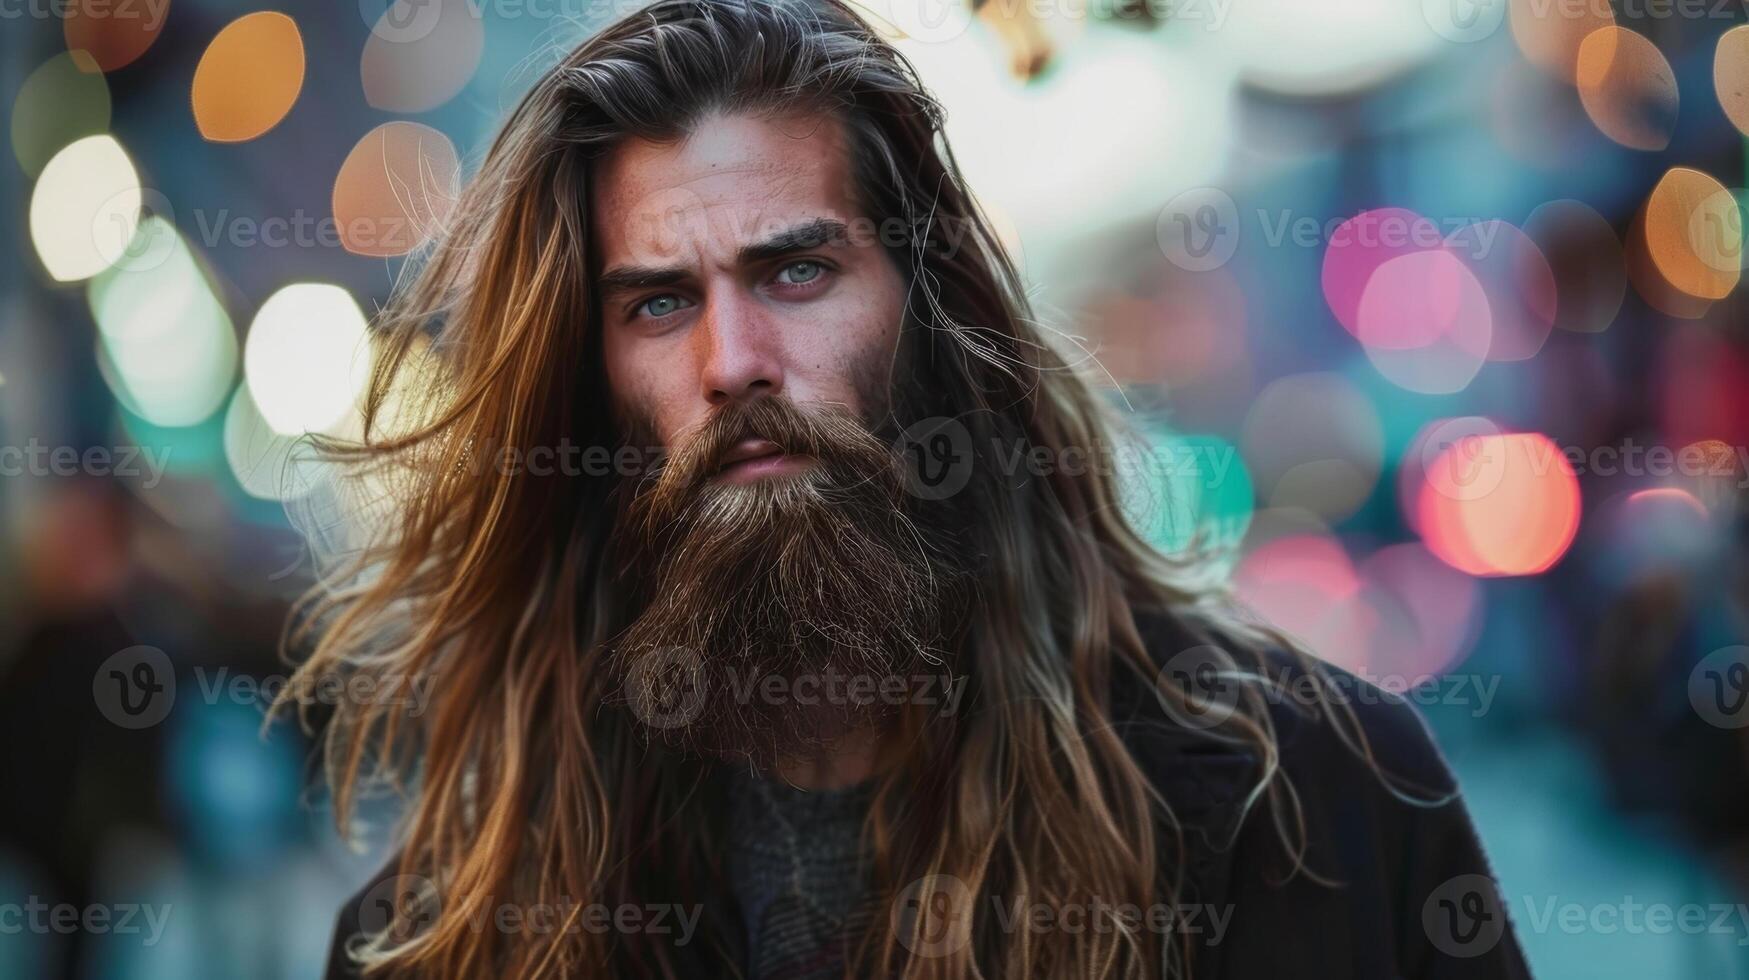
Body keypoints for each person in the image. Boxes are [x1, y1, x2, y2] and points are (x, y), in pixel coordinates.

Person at [290, 0, 1533, 976]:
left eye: (796, 272)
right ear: (590, 379)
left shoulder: (1315, 806)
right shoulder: (444, 938)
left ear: (930, 315)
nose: (733, 362)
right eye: (659, 302)